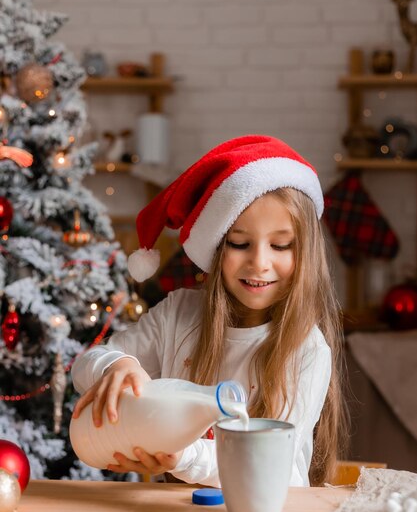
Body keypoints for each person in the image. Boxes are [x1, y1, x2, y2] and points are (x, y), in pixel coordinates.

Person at [71, 134, 347, 487]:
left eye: (281, 245)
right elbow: (86, 366)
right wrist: (115, 365)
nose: (260, 263)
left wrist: (182, 456)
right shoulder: (179, 314)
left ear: (304, 254)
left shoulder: (305, 349)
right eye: (239, 243)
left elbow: (272, 466)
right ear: (216, 247)